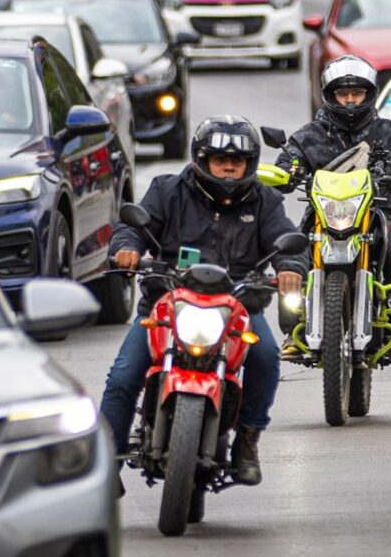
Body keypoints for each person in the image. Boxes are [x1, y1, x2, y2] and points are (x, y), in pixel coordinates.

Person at [101, 115, 306, 488]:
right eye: (219, 160)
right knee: (123, 377)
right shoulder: (167, 190)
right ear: (201, 159)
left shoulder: (265, 200)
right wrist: (127, 248)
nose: (229, 167)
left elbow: (286, 239)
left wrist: (290, 266)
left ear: (250, 163)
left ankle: (247, 441)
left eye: (238, 161)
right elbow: (131, 226)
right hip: (167, 302)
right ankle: (104, 468)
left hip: (236, 306)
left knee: (266, 358)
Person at [277, 55, 391, 364]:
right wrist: (286, 171)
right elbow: (287, 161)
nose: (350, 101)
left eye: (357, 93)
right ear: (329, 95)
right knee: (291, 254)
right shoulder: (308, 136)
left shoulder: (390, 132)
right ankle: (292, 331)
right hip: (320, 218)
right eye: (342, 94)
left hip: (376, 217)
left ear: (369, 93)